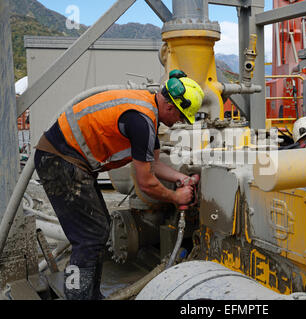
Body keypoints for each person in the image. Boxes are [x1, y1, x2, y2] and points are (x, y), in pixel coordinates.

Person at [34, 70, 204, 300]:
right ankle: (78, 295)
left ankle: (91, 295)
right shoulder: (142, 121)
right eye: (182, 117)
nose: (179, 123)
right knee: (89, 236)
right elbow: (145, 182)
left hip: (70, 161)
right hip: (60, 161)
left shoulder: (148, 113)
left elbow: (152, 164)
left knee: (100, 229)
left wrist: (181, 178)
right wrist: (176, 198)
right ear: (171, 107)